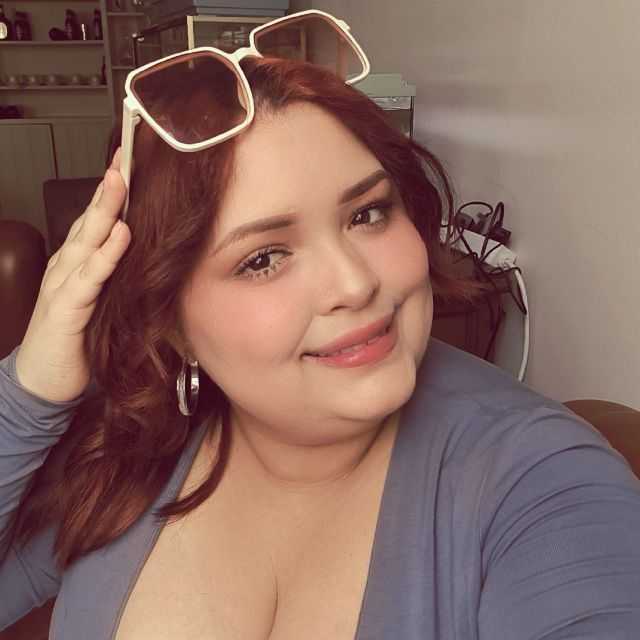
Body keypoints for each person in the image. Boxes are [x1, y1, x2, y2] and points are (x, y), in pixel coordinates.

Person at [2, 46, 640, 640]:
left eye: (367, 213)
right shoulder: (127, 448)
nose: (356, 284)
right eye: (263, 258)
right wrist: (31, 390)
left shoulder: (541, 485)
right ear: (168, 318)